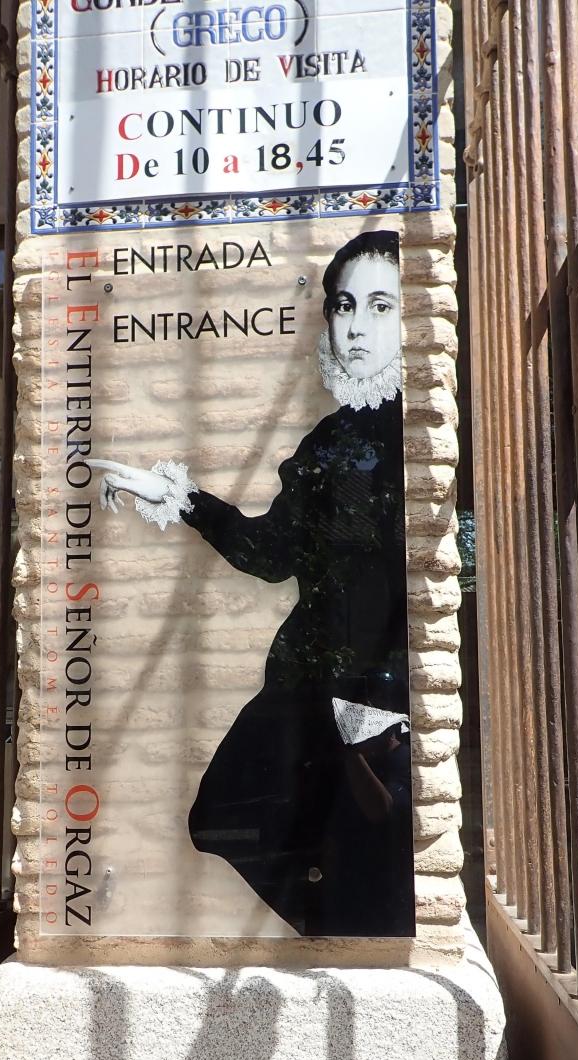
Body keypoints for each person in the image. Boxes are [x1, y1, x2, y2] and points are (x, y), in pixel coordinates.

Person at [91, 230, 414, 936]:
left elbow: (425, 575)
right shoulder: (330, 437)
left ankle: (358, 951)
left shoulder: (420, 434)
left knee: (370, 854)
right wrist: (180, 498)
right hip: (302, 681)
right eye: (344, 305)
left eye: (381, 305)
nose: (357, 326)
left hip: (374, 691)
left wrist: (382, 697)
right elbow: (272, 553)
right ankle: (341, 942)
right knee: (224, 817)